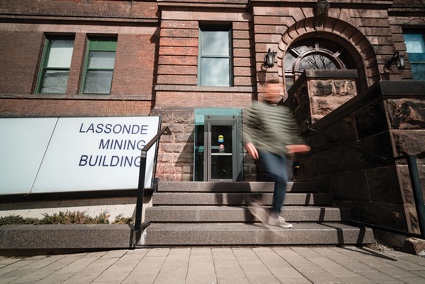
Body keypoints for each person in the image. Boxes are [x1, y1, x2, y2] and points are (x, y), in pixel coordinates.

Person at [243, 82, 310, 228]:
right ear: (266, 91)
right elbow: (247, 128)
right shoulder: (257, 107)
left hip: (282, 151)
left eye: (278, 91)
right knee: (278, 175)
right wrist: (248, 142)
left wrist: (297, 144)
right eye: (272, 90)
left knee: (283, 179)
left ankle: (275, 214)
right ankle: (257, 201)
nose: (275, 93)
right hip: (265, 148)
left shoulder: (283, 112)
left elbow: (291, 131)